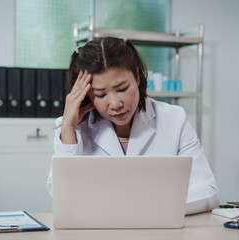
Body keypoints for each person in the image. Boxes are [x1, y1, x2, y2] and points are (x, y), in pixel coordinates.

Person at [47, 37, 219, 215]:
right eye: (100, 94)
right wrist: (68, 127)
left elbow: (207, 191)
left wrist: (142, 207)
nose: (115, 104)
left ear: (137, 76)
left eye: (122, 89)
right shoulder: (73, 128)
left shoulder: (174, 120)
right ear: (87, 94)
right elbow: (63, 198)